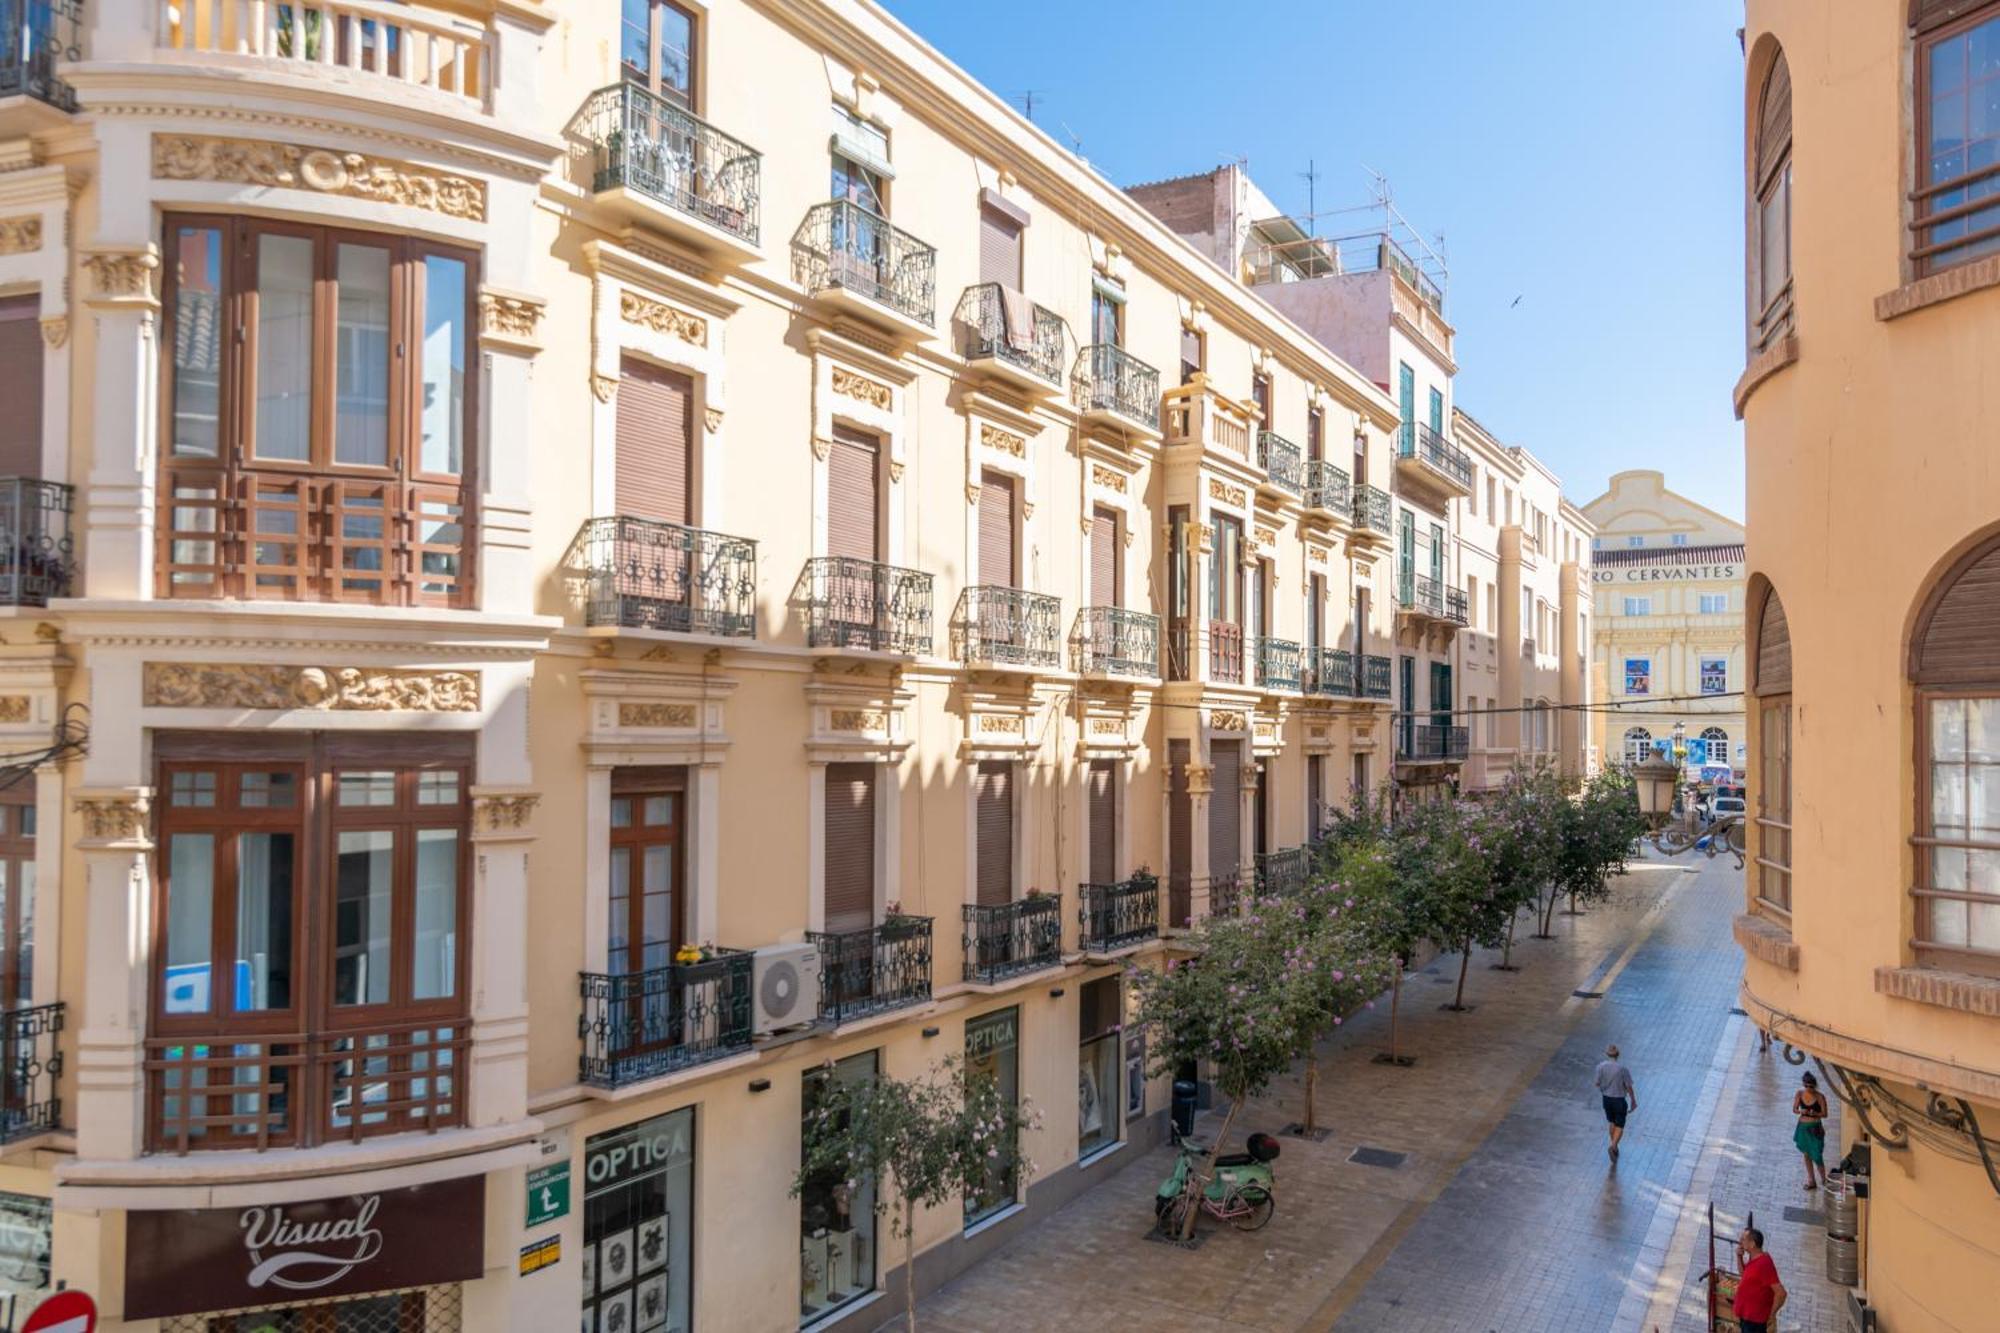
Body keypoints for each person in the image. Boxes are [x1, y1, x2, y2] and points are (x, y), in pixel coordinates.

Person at [1733, 1228, 1787, 1333]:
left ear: (1752, 1244)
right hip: (1746, 1316)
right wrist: (1739, 1257)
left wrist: (1772, 1314)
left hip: (1755, 1321)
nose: (1740, 1241)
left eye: (1743, 1239)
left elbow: (1781, 1293)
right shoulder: (1754, 1259)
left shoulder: (1764, 1264)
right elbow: (1743, 1275)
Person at [1593, 1044, 1637, 1161]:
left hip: (1606, 1099)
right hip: (1619, 1100)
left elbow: (1597, 1083)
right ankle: (1613, 1146)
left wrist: (1604, 1088)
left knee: (1611, 1122)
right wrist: (1633, 1100)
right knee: (1620, 1124)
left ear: (1607, 1054)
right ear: (1618, 1055)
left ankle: (1615, 1147)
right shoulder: (1622, 1069)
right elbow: (1629, 1086)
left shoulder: (1600, 1067)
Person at [1793, 1070, 1829, 1190]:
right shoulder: (1799, 1094)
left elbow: (1825, 1114)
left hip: (1815, 1129)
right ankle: (1811, 1180)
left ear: (1815, 1085)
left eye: (1811, 1086)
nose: (1809, 1088)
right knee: (1806, 1154)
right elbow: (1794, 1109)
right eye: (1806, 1086)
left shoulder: (1820, 1097)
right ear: (1803, 1084)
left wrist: (1816, 1113)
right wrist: (1801, 1111)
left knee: (1817, 1155)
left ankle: (1824, 1180)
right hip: (1803, 1128)